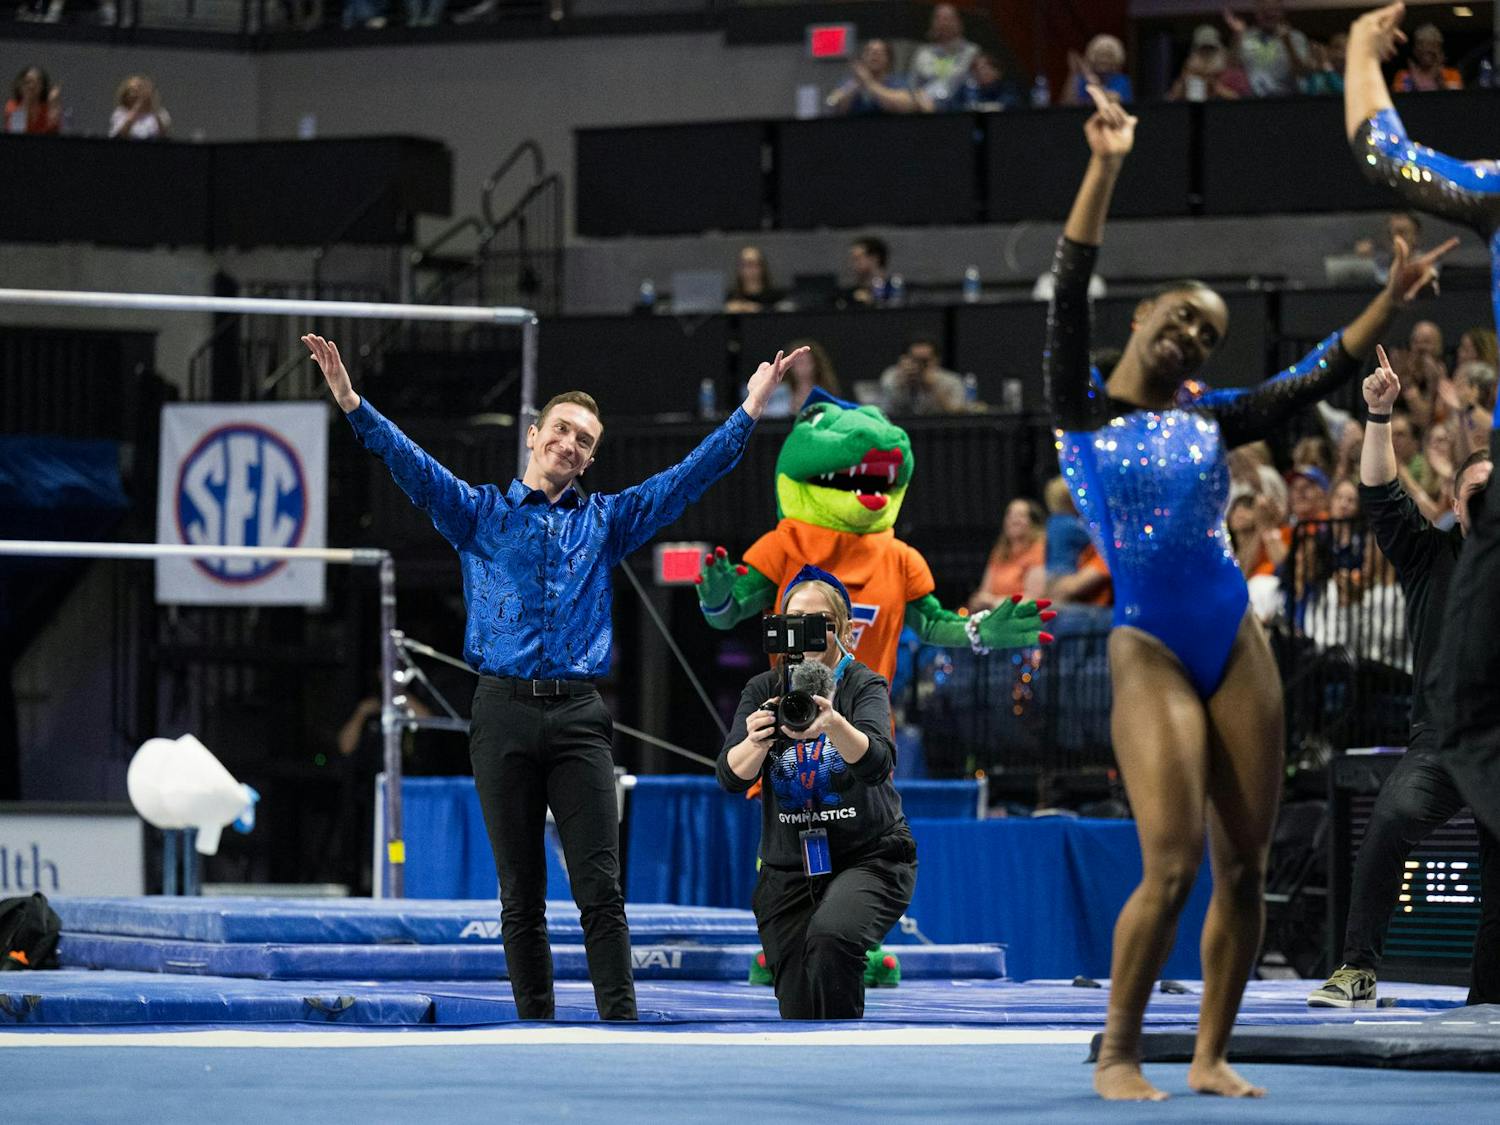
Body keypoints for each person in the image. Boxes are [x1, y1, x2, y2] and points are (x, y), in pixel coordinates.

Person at [1047, 86, 1448, 1101]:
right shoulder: (1077, 410)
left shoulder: (1210, 418)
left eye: (1210, 333)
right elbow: (1067, 289)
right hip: (1147, 643)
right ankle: (1120, 1050)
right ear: (1142, 318)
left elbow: (1311, 378)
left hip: (1235, 636)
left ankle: (1211, 1053)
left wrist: (1387, 301)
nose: (1192, 335)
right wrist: (1105, 163)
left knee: (1243, 866)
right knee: (1172, 862)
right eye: (1180, 317)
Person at [302, 331, 807, 1022]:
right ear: (536, 435)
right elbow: (411, 465)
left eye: (585, 439)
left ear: (591, 457)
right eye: (562, 429)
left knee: (600, 887)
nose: (571, 443)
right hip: (501, 712)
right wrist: (354, 403)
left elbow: (685, 479)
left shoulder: (605, 522)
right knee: (521, 892)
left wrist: (749, 408)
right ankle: (535, 1025)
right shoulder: (478, 513)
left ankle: (619, 1024)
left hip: (577, 716)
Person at [1308, 348, 1498, 1008]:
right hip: (1442, 746)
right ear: (1455, 501)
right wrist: (1380, 413)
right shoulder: (1429, 555)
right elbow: (1381, 494)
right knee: (1389, 821)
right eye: (1478, 494)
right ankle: (1358, 967)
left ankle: (1488, 1000)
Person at [717, 567, 916, 1020]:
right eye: (795, 619)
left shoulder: (863, 683)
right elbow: (730, 777)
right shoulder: (764, 690)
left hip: (869, 858)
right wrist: (755, 741)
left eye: (821, 621)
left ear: (844, 630)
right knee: (801, 1004)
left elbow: (878, 763)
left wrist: (832, 723)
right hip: (788, 869)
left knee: (832, 937)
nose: (807, 632)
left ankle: (844, 1063)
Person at [1224, 0, 1312, 98]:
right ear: (1256, 13)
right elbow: (1231, 68)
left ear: (1281, 12)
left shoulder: (1296, 37)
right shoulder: (1245, 37)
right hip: (1253, 102)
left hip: (1287, 100)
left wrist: (1287, 43)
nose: (1269, 14)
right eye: (1264, 11)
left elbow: (1303, 73)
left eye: (1273, 10)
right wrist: (1237, 37)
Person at [970, 498, 1046, 611]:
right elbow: (985, 590)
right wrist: (979, 601)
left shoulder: (1039, 549)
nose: (1014, 520)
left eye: (1021, 515)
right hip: (995, 614)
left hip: (1022, 616)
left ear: (1033, 522)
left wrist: (994, 602)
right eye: (1010, 515)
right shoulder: (999, 551)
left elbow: (1034, 598)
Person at [907, 3, 977, 107]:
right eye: (938, 18)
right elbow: (912, 85)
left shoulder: (971, 52)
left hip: (960, 111)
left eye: (948, 18)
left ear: (959, 22)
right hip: (922, 109)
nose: (943, 22)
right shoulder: (923, 52)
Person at [826, 40, 916, 117]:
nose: (874, 55)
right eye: (869, 51)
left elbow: (906, 106)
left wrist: (869, 83)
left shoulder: (897, 82)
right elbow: (832, 105)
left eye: (880, 52)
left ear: (888, 59)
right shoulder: (849, 82)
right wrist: (857, 83)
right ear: (863, 57)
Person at [878, 337, 966, 415]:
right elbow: (886, 411)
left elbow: (957, 413)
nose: (919, 366)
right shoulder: (891, 376)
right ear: (905, 359)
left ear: (937, 360)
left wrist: (934, 388)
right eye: (915, 360)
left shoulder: (952, 380)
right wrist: (902, 384)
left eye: (925, 361)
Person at [1167, 25, 1248, 101]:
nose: (1206, 54)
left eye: (1211, 49)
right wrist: (1183, 85)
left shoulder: (1233, 73)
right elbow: (1170, 101)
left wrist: (1216, 87)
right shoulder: (1189, 74)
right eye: (1202, 49)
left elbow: (1243, 103)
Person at [1061, 34, 1133, 106]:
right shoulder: (1083, 79)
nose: (1104, 60)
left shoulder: (1122, 80)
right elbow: (1066, 103)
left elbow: (1112, 101)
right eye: (1100, 55)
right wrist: (1074, 73)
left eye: (1109, 56)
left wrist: (1095, 83)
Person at [1390, 23, 1462, 92]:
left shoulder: (1452, 75)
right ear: (1415, 51)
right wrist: (1414, 80)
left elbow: (1457, 99)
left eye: (1433, 45)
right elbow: (1398, 99)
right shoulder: (1403, 75)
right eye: (1422, 44)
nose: (1427, 48)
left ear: (1440, 51)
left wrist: (1439, 79)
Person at [724, 246, 784, 314]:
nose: (750, 270)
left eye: (754, 264)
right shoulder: (730, 297)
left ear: (763, 267)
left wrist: (757, 309)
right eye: (745, 264)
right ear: (739, 268)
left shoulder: (777, 297)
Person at [109, 75, 170, 140]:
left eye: (141, 90)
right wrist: (137, 108)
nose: (137, 95)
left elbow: (164, 136)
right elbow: (119, 136)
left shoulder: (160, 113)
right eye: (133, 91)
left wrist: (153, 109)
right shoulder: (120, 112)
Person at [5, 66, 61, 134]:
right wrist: (26, 101)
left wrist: (53, 104)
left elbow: (53, 133)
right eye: (28, 82)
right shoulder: (13, 105)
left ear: (43, 86)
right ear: (20, 85)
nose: (32, 86)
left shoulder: (46, 107)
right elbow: (16, 132)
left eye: (37, 82)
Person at [843, 236, 890, 306]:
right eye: (853, 259)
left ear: (874, 259)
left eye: (857, 258)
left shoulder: (893, 292)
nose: (853, 264)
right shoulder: (847, 296)